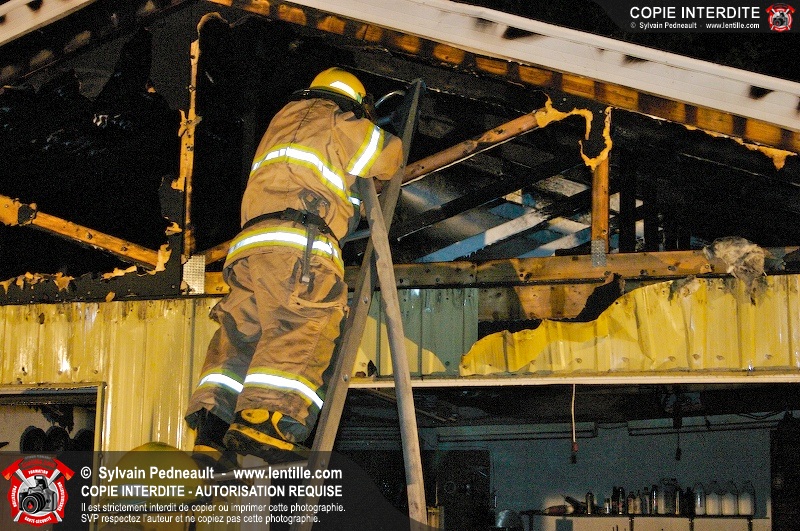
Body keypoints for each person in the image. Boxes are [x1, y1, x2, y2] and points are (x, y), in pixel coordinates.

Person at [184, 67, 404, 467]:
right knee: (302, 324)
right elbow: (388, 158)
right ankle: (266, 421)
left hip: (252, 247)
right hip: (298, 244)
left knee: (242, 334)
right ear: (352, 102)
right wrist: (386, 132)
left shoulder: (281, 123)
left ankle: (212, 430)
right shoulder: (336, 118)